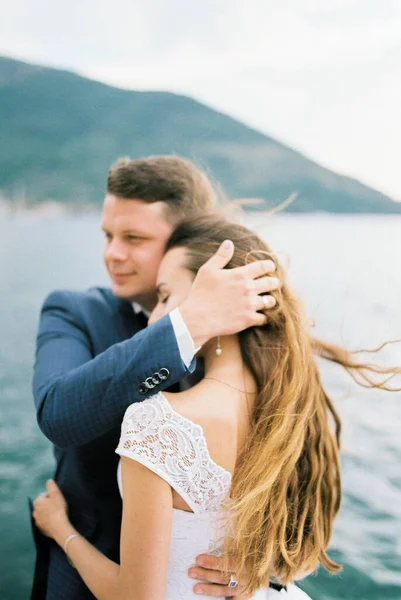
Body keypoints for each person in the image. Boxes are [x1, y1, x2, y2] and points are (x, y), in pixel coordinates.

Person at [33, 214, 400, 599]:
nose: (154, 320)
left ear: (218, 295)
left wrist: (62, 529)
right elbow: (302, 552)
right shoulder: (295, 413)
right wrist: (261, 572)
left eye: (165, 297)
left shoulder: (156, 423)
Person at [30, 156, 279, 599]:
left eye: (134, 238)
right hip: (81, 573)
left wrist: (264, 560)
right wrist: (186, 325)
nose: (113, 253)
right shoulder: (72, 310)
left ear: (184, 238)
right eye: (108, 235)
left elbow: (288, 451)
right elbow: (57, 415)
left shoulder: (240, 330)